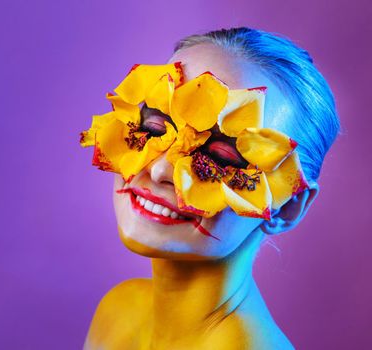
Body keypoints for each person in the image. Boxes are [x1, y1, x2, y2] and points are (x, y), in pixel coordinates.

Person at [82, 27, 339, 350]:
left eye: (218, 156)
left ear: (288, 205)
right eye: (154, 127)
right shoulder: (120, 309)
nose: (160, 168)